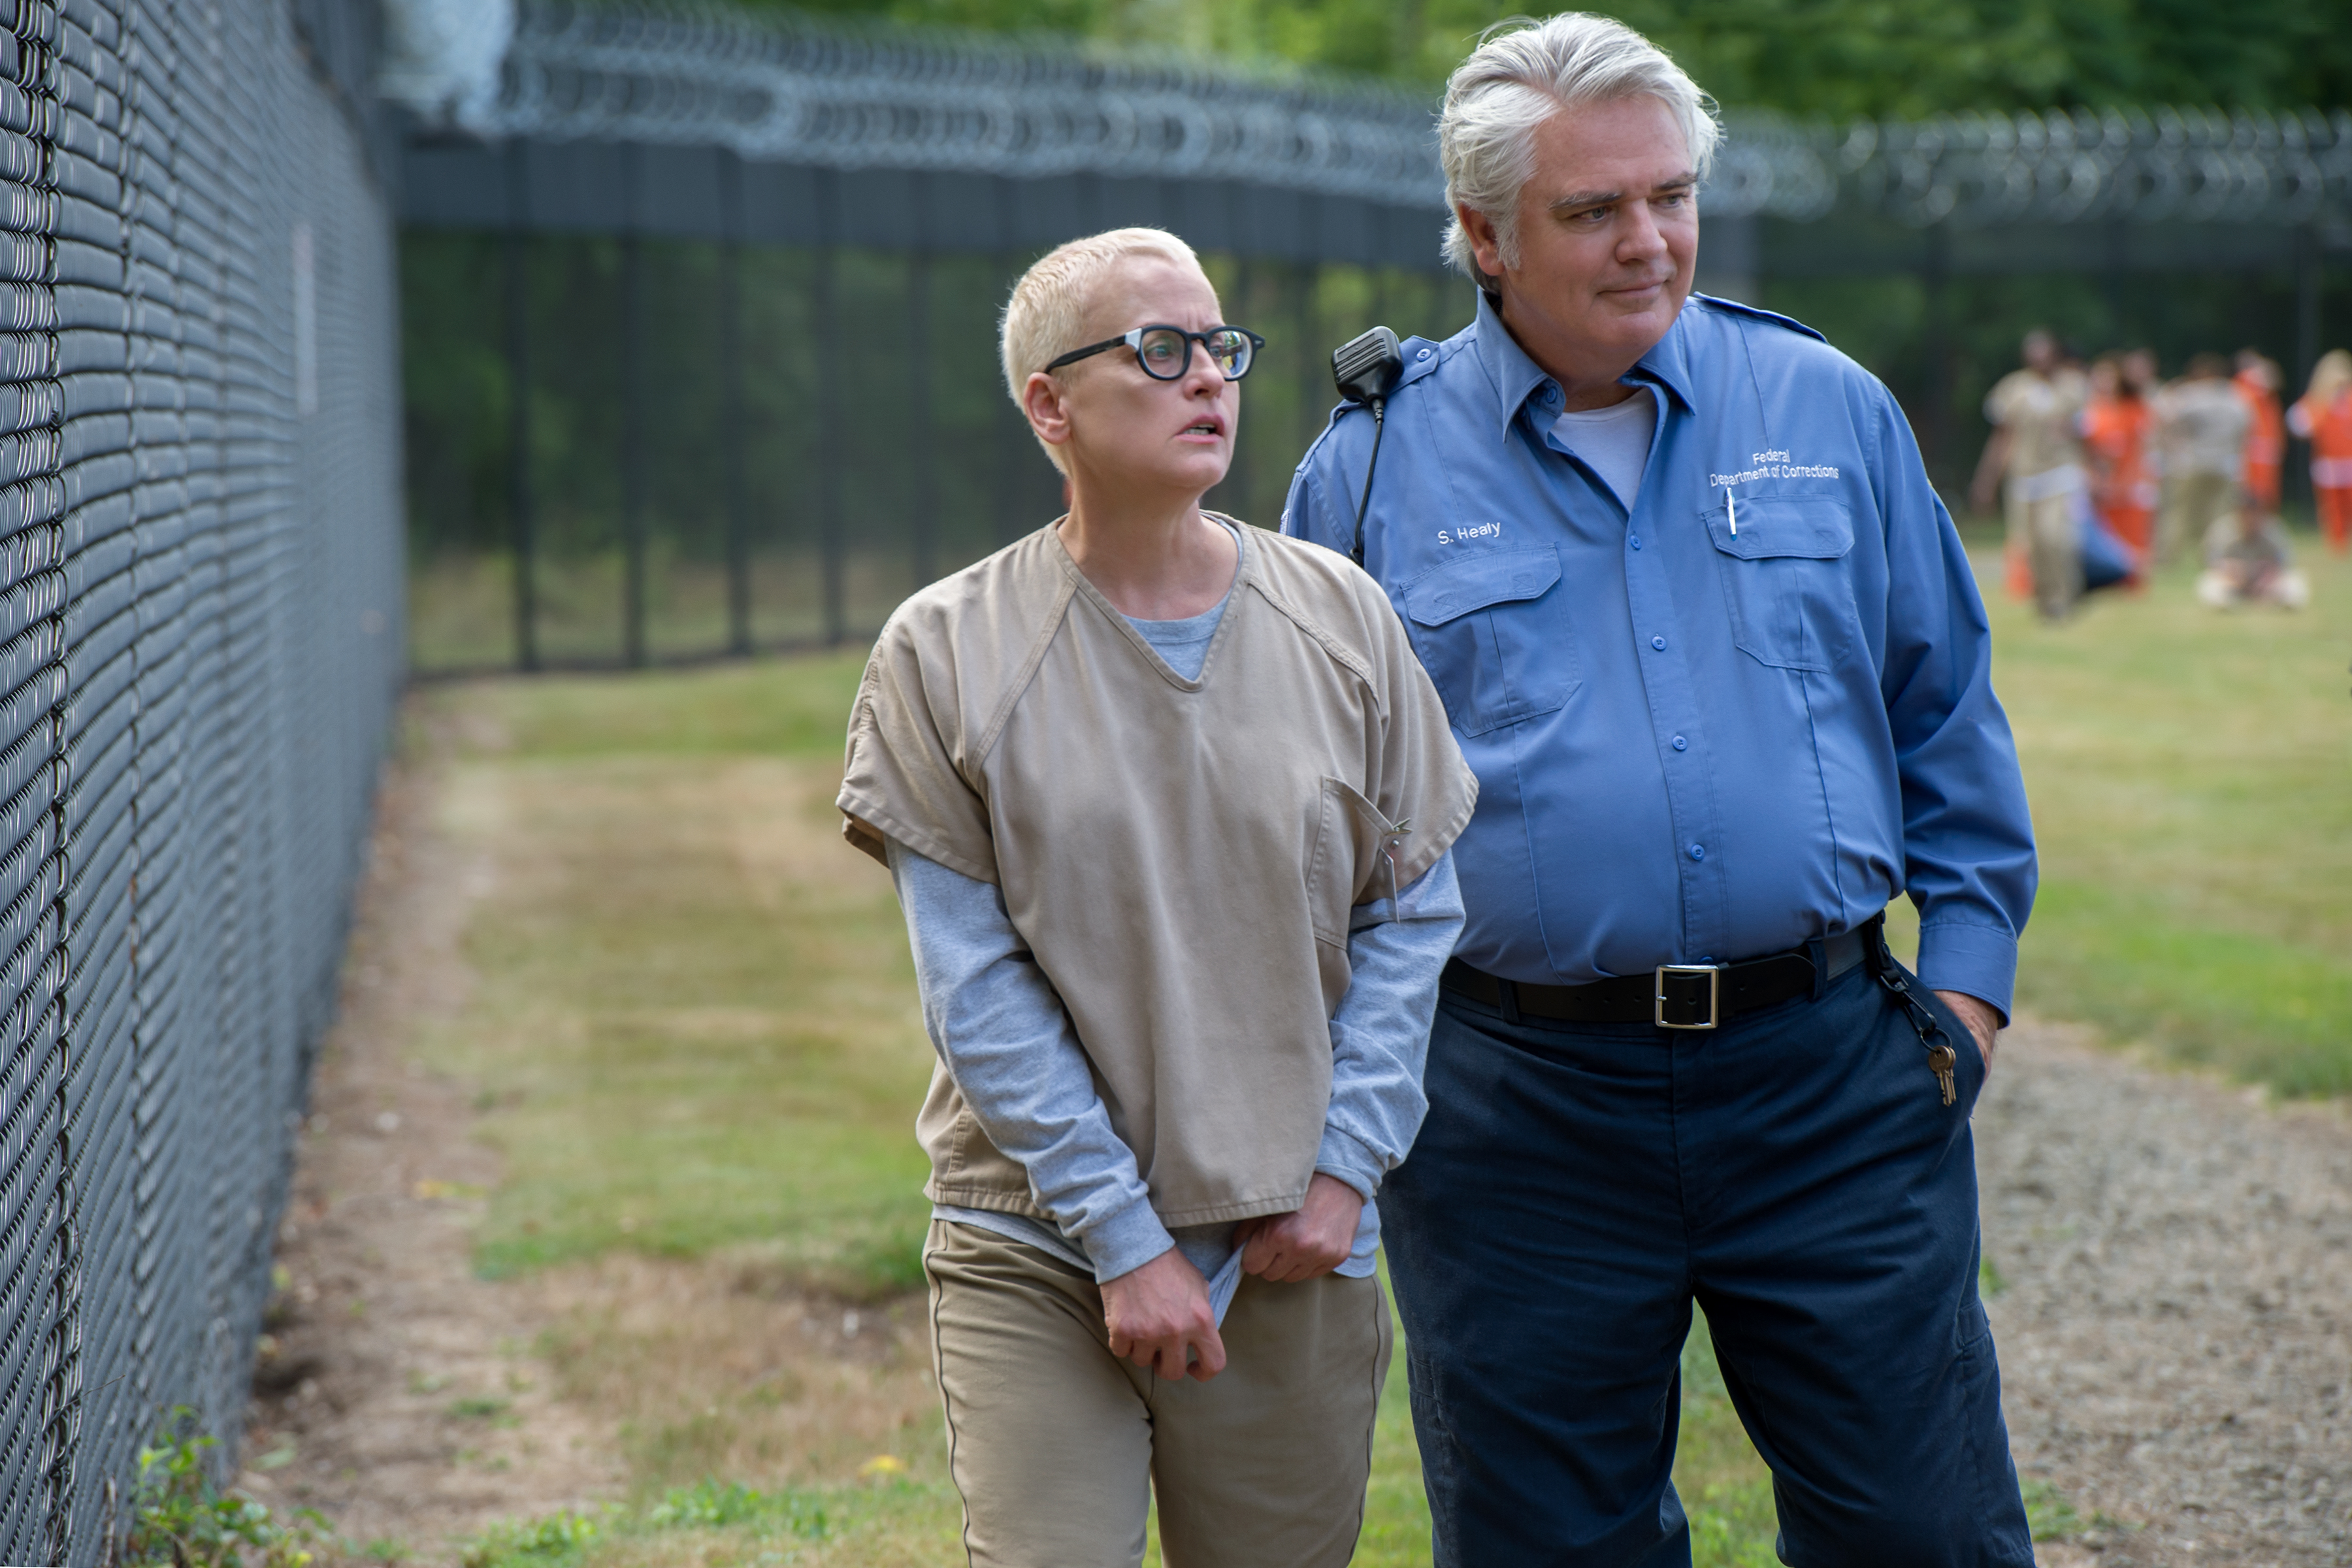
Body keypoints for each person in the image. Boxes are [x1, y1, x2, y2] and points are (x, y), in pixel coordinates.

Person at [1283, 16, 2037, 1566]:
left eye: (1670, 196)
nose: (1649, 239)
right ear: (1483, 236)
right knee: (1550, 1544)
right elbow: (1310, 825)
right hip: (1515, 1113)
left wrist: (1958, 1005)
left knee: (1924, 1527)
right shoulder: (1362, 472)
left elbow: (1946, 710)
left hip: (1829, 1082)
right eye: (1593, 210)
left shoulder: (1823, 409)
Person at [837, 226, 1476, 1568]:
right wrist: (1123, 1240)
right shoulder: (944, 651)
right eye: (1160, 350)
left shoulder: (1342, 617)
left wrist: (1345, 1169)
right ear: (1049, 406)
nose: (1210, 381)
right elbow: (974, 983)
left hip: (1292, 1232)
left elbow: (1411, 915)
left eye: (1221, 349)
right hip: (1037, 1239)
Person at [1973, 328, 2089, 618]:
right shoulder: (2013, 389)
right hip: (2025, 477)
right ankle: (2045, 599)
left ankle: (2065, 597)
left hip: (2060, 474)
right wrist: (1986, 481)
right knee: (2032, 544)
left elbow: (2088, 432)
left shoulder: (2073, 387)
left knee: (2056, 537)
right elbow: (2001, 439)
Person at [2154, 353, 2251, 566]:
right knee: (2219, 517)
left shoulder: (2191, 394)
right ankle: (2214, 558)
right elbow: (2246, 429)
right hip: (2225, 465)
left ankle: (2168, 558)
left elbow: (2164, 414)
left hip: (2192, 463)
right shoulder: (2236, 396)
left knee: (2178, 514)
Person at [2080, 350, 2158, 580]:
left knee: (2133, 535)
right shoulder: (2089, 413)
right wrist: (2096, 481)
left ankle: (2135, 577)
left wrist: (2125, 483)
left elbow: (2138, 451)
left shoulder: (2132, 410)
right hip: (2100, 487)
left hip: (2129, 484)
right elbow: (2087, 452)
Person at [2287, 348, 2352, 555]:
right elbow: (2298, 424)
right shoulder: (2317, 399)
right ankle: (2336, 545)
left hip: (2349, 460)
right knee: (2332, 508)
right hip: (2328, 463)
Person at [2234, 349, 2286, 521]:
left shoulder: (2269, 398)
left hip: (2266, 455)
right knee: (2251, 493)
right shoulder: (2243, 392)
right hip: (2251, 456)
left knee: (2267, 494)